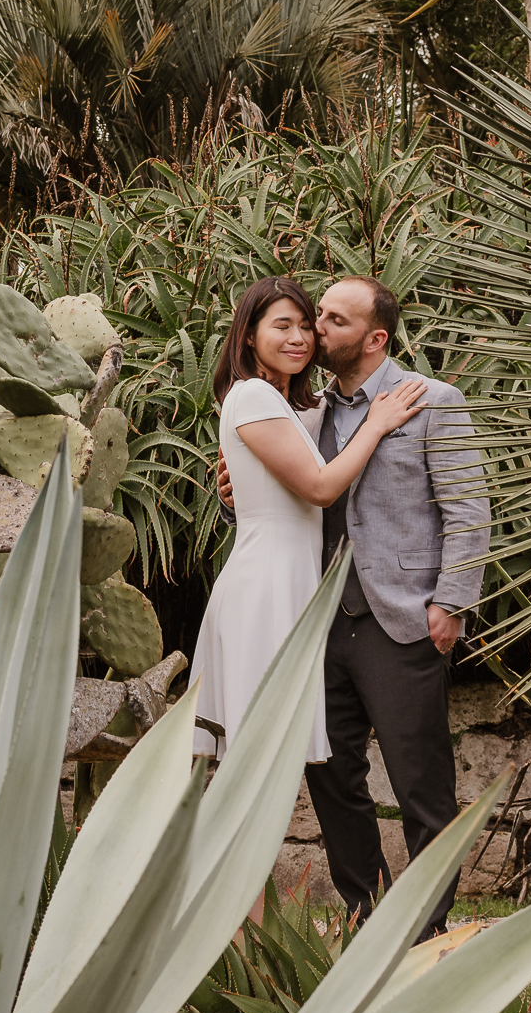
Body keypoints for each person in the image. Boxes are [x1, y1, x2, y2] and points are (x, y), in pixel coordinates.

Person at [217, 276, 490, 927]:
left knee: (421, 785)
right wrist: (231, 501)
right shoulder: (305, 414)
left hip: (402, 621)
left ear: (374, 338)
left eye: (333, 321)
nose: (315, 330)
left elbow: (469, 511)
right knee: (332, 779)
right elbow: (285, 497)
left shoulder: (433, 401)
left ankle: (425, 929)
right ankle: (370, 911)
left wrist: (449, 602)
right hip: (318, 626)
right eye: (315, 317)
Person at [195, 275, 428, 764]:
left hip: (290, 584)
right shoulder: (255, 396)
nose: (302, 337)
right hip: (267, 587)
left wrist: (233, 492)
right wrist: (377, 424)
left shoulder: (292, 404)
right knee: (259, 755)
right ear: (248, 335)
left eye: (307, 324)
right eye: (283, 326)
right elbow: (321, 488)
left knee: (267, 752)